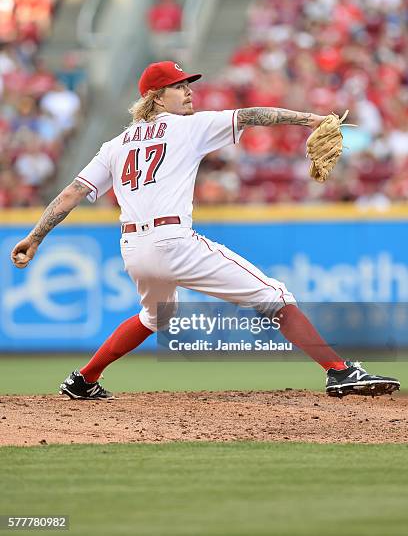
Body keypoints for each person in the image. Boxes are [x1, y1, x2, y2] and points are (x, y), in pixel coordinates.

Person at [11, 60, 400, 400]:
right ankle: (339, 371)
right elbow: (249, 115)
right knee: (276, 296)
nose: (189, 92)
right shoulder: (189, 128)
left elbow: (72, 192)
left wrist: (35, 236)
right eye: (178, 86)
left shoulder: (114, 145)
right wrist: (309, 119)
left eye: (188, 84)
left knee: (154, 317)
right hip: (172, 242)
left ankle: (84, 379)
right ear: (156, 98)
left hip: (134, 248)